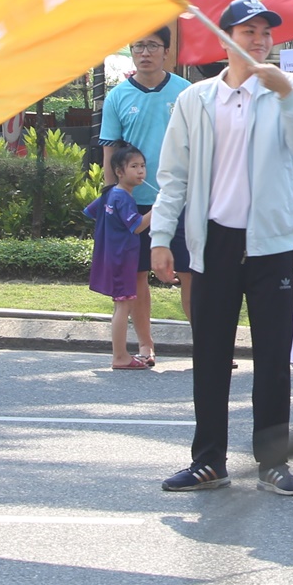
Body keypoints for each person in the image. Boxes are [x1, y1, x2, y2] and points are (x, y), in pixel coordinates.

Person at [150, 0, 293, 496]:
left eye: (266, 32)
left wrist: (287, 94)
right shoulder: (196, 99)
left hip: (270, 245)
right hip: (214, 243)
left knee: (273, 357)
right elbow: (173, 177)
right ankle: (209, 461)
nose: (260, 40)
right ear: (226, 38)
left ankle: (273, 463)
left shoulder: (292, 90)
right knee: (209, 355)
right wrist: (162, 237)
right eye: (248, 32)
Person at [99, 26, 193, 355]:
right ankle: (146, 345)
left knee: (189, 273)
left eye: (152, 46)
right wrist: (111, 202)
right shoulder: (117, 97)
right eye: (138, 46)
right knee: (137, 277)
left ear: (166, 51)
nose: (145, 53)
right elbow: (110, 153)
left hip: (180, 201)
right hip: (133, 205)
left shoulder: (186, 93)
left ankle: (208, 346)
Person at [85, 143, 156, 370]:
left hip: (113, 256)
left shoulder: (111, 194)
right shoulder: (123, 198)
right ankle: (120, 356)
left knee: (121, 305)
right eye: (133, 166)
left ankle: (121, 354)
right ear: (119, 171)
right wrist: (159, 208)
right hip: (122, 258)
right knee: (123, 306)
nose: (140, 171)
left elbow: (90, 212)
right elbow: (137, 227)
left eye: (142, 166)